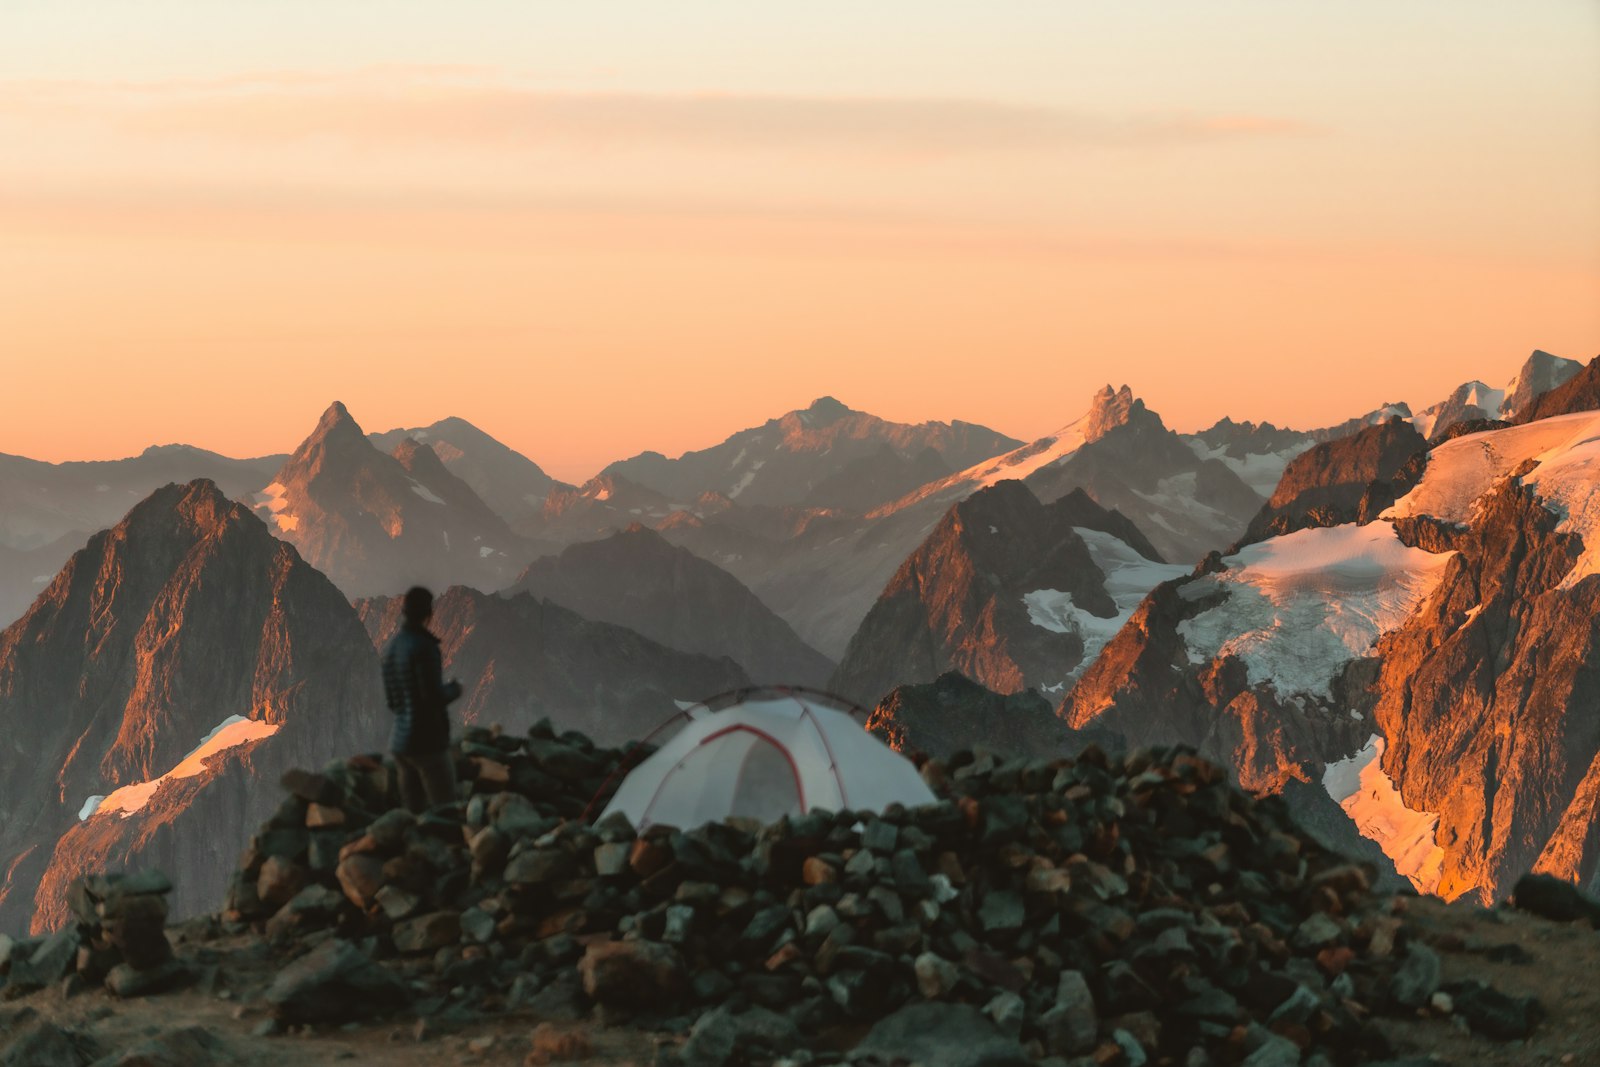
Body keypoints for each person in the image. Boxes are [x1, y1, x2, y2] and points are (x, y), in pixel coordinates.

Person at [381, 586, 463, 813]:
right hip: (427, 743)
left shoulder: (390, 648)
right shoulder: (425, 647)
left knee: (412, 811)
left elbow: (392, 701)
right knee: (445, 808)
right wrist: (455, 689)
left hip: (400, 742)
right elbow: (432, 697)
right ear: (429, 613)